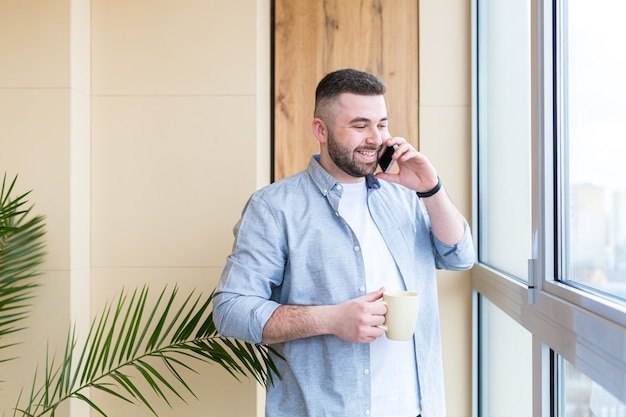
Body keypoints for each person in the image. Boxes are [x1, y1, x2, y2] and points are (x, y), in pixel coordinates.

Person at [213, 68, 475, 417]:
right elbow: (230, 311)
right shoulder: (275, 207)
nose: (375, 138)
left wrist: (431, 188)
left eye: (382, 124)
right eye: (359, 125)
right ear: (320, 130)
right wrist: (331, 320)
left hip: (417, 408)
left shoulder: (404, 195)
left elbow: (459, 257)